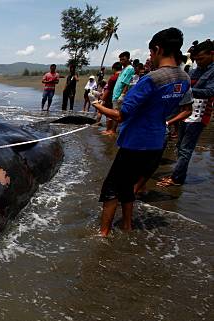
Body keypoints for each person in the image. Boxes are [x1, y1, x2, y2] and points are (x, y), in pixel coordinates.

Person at [91, 27, 193, 236]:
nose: (150, 57)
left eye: (150, 53)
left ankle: (103, 234)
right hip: (156, 143)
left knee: (111, 189)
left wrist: (97, 105)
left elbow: (121, 115)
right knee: (127, 186)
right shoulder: (184, 78)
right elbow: (186, 108)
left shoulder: (151, 79)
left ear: (158, 49)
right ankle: (127, 226)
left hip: (135, 143)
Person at [157, 39, 214, 187]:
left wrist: (187, 90)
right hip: (186, 112)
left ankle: (177, 179)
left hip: (199, 115)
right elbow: (185, 81)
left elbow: (209, 91)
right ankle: (177, 174)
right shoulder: (198, 69)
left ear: (212, 54)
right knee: (180, 146)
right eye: (196, 59)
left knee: (185, 149)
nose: (198, 62)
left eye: (201, 59)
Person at [110, 51, 135, 135]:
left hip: (119, 95)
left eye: (123, 59)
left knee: (117, 114)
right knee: (116, 113)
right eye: (120, 60)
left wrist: (122, 94)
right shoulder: (124, 69)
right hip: (116, 94)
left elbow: (126, 83)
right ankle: (114, 130)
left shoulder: (130, 69)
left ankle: (113, 130)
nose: (121, 61)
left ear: (128, 59)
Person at [100, 62, 123, 135]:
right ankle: (113, 130)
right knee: (116, 113)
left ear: (114, 69)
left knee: (109, 114)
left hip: (111, 97)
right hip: (120, 97)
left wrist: (102, 99)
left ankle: (108, 130)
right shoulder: (123, 76)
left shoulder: (113, 78)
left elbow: (108, 90)